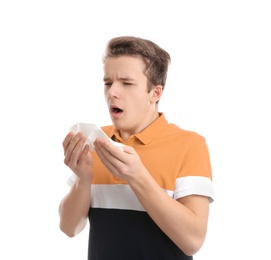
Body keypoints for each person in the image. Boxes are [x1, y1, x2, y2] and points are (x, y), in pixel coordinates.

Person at [59, 36, 215, 260]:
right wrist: (83, 179)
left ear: (155, 93)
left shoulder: (189, 145)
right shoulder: (95, 142)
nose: (112, 92)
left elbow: (192, 241)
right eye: (108, 83)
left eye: (127, 83)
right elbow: (69, 228)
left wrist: (137, 176)